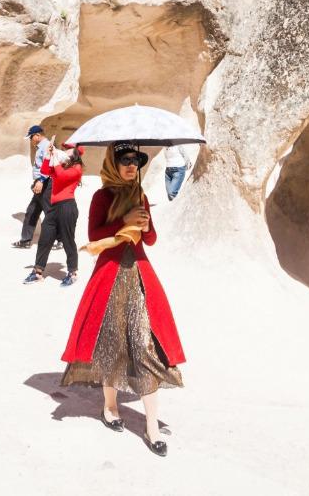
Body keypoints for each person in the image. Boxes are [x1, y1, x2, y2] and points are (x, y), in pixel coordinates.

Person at [59, 142, 183, 457]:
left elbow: (151, 239)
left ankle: (152, 426)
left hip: (139, 275)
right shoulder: (102, 197)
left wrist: (144, 223)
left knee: (144, 345)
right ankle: (110, 406)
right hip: (110, 274)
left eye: (135, 160)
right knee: (111, 341)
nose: (131, 165)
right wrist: (124, 219)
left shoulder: (140, 195)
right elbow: (93, 235)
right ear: (113, 163)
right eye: (124, 159)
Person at [24, 143, 83, 287]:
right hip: (53, 208)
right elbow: (45, 170)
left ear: (74, 156)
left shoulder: (77, 169)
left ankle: (72, 272)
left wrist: (55, 157)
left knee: (68, 239)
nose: (63, 152)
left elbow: (62, 177)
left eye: (67, 151)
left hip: (67, 207)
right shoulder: (61, 166)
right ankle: (38, 271)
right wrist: (48, 155)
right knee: (45, 238)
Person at [14, 125, 52, 249]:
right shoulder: (41, 147)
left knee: (50, 212)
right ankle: (25, 240)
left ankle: (60, 240)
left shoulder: (46, 146)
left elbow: (49, 165)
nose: (31, 140)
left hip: (45, 183)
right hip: (40, 183)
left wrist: (40, 180)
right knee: (32, 211)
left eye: (31, 137)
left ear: (37, 135)